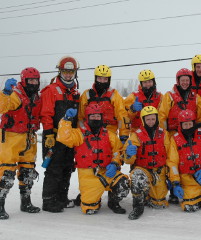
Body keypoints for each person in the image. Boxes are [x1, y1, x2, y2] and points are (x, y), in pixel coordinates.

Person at [56, 104, 129, 215]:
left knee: (123, 183)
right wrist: (66, 120)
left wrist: (115, 163)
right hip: (88, 175)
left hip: (106, 172)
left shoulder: (109, 135)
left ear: (101, 118)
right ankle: (88, 196)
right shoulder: (79, 133)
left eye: (98, 116)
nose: (95, 118)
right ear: (87, 117)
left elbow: (118, 152)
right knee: (89, 209)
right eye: (92, 116)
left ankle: (113, 202)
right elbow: (63, 137)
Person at [40, 56, 80, 212]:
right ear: (60, 71)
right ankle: (49, 200)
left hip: (69, 138)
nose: (68, 75)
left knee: (67, 167)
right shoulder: (51, 90)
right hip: (54, 136)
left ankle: (62, 197)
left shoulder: (75, 92)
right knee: (54, 168)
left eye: (71, 72)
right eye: (65, 71)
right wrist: (49, 133)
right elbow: (46, 113)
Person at [0, 67, 41, 219]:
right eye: (30, 80)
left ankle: (26, 202)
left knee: (28, 172)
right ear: (23, 81)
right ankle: (0, 204)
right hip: (12, 137)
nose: (33, 83)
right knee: (7, 173)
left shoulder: (38, 98)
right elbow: (2, 107)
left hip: (29, 137)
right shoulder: (15, 95)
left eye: (35, 80)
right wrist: (4, 92)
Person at [158, 68, 201, 204]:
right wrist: (165, 135)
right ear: (178, 81)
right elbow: (162, 116)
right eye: (182, 80)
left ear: (190, 81)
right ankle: (173, 189)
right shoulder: (169, 96)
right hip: (173, 134)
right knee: (172, 161)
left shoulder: (196, 97)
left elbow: (200, 117)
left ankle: (197, 186)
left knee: (191, 159)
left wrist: (198, 134)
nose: (184, 83)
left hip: (191, 133)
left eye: (187, 80)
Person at [123, 106, 170, 220]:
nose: (151, 122)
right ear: (143, 120)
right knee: (137, 178)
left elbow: (170, 156)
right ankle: (138, 206)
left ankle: (149, 194)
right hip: (143, 169)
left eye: (153, 119)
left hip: (159, 170)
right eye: (148, 119)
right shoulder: (135, 135)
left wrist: (171, 177)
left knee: (159, 203)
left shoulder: (164, 134)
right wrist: (128, 154)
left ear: (157, 119)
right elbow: (127, 159)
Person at [167, 109, 201, 212]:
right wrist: (175, 183)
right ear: (180, 125)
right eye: (185, 124)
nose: (188, 127)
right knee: (189, 207)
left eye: (190, 124)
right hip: (188, 179)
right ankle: (199, 193)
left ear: (194, 123)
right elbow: (172, 163)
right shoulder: (175, 140)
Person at [78, 65, 130, 143]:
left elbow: (122, 116)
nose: (102, 81)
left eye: (105, 79)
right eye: (100, 78)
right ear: (95, 78)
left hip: (109, 134)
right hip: (89, 134)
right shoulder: (87, 95)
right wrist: (82, 131)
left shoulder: (114, 95)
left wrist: (123, 136)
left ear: (109, 80)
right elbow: (80, 117)